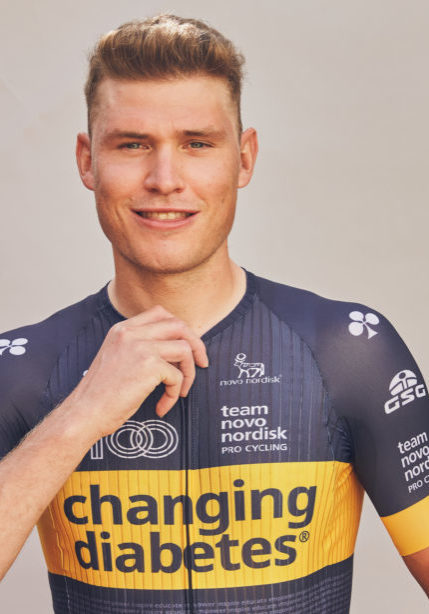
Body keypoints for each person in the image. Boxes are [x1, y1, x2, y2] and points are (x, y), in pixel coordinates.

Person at [0, 13, 428, 614]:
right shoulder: (23, 369)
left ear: (244, 159)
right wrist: (78, 417)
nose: (165, 179)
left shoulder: (349, 352)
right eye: (132, 144)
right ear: (87, 160)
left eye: (197, 143)